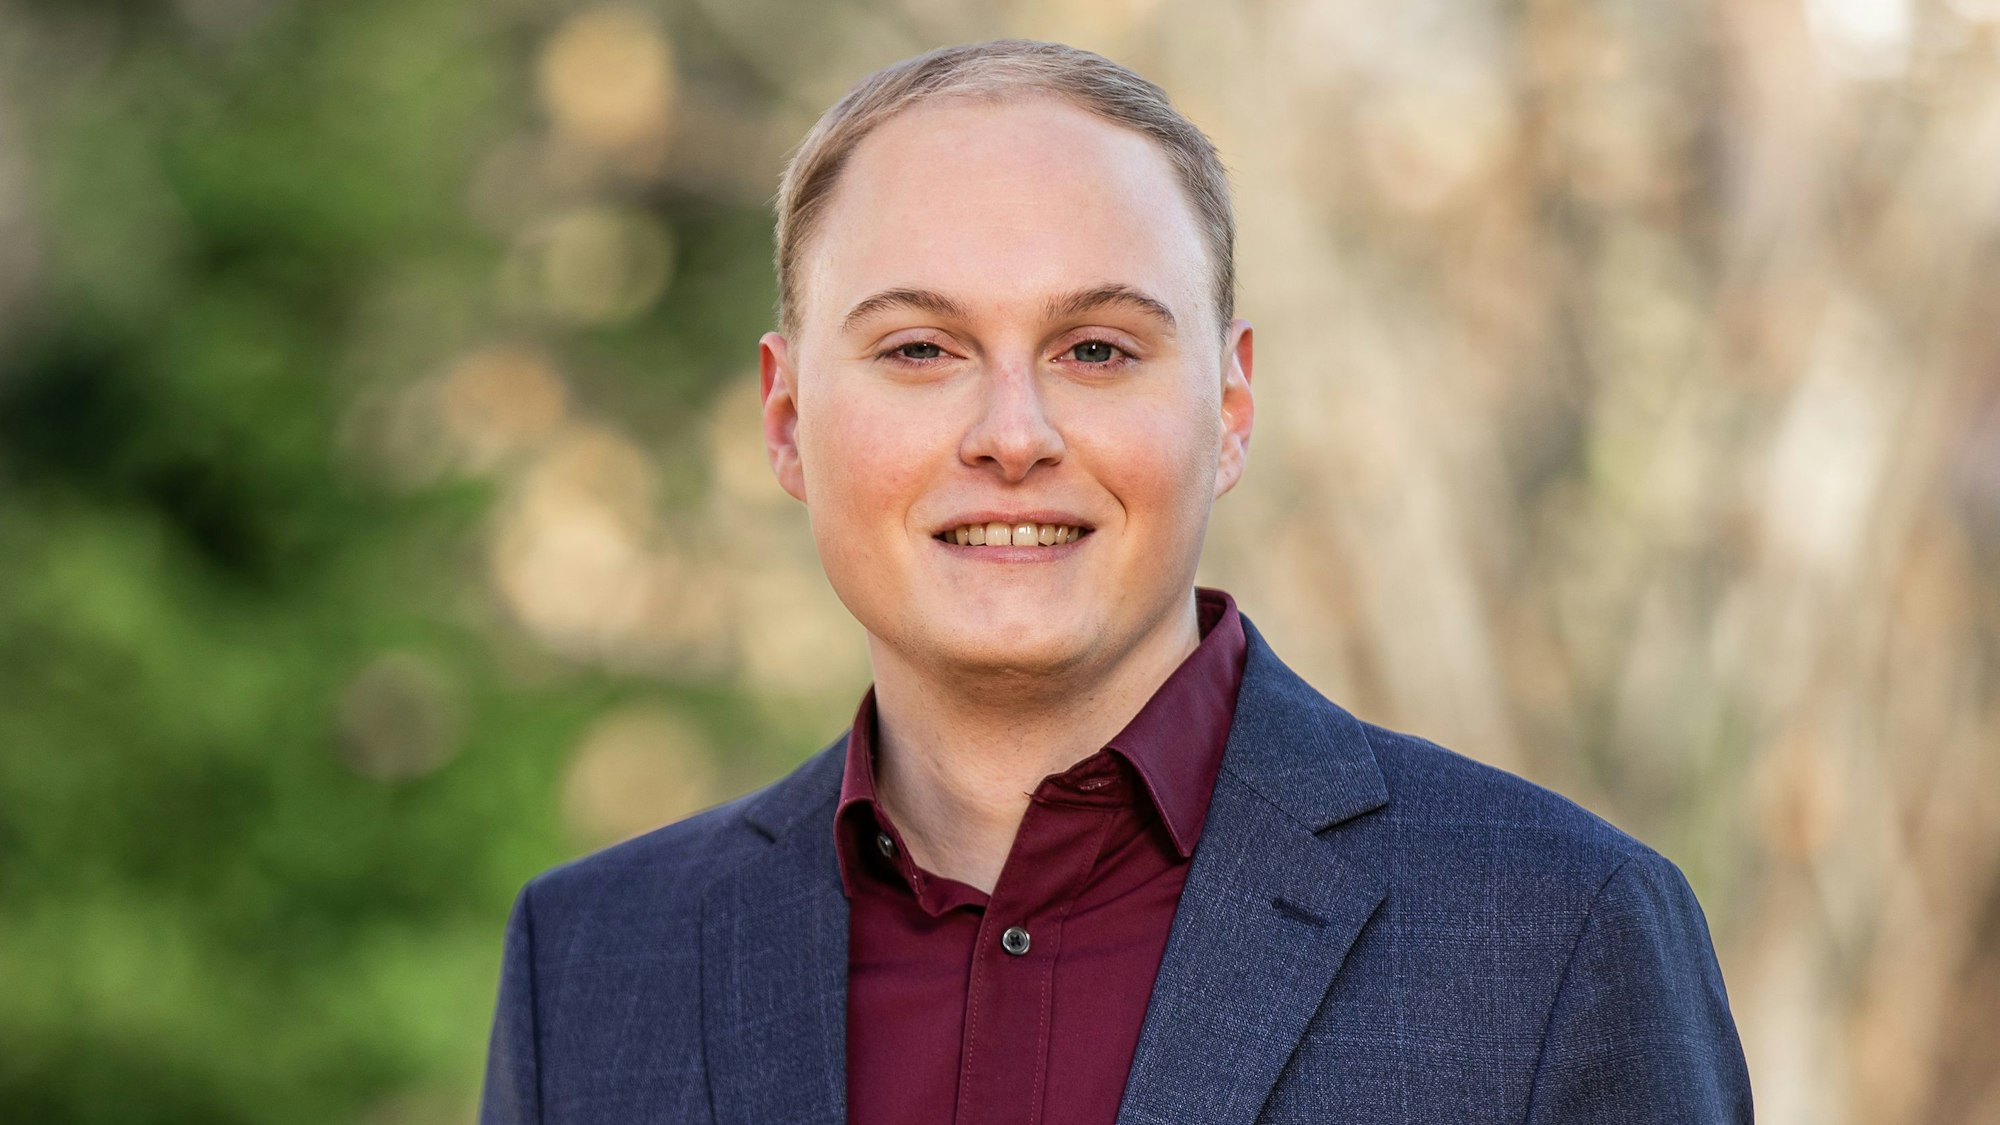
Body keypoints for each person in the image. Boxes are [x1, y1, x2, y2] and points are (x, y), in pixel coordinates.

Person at [477, 38, 1753, 1125]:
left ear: (1231, 404)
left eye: (1096, 348)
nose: (1012, 434)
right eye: (919, 348)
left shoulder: (1555, 933)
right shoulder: (591, 966)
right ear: (785, 414)